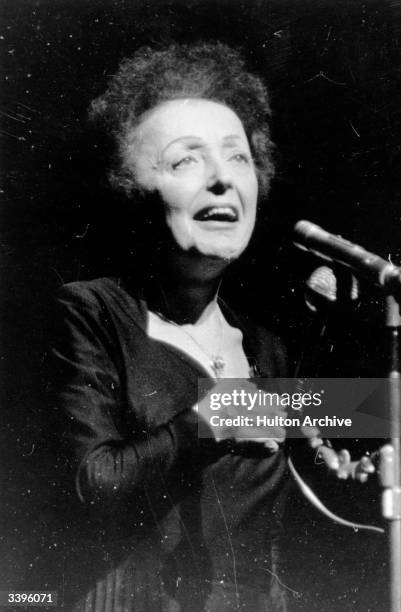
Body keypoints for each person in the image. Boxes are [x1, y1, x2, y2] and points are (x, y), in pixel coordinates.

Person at [48, 42, 296, 611]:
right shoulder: (89, 312)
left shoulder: (268, 348)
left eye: (238, 157)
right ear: (129, 191)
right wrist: (210, 420)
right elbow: (95, 480)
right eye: (186, 160)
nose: (222, 179)